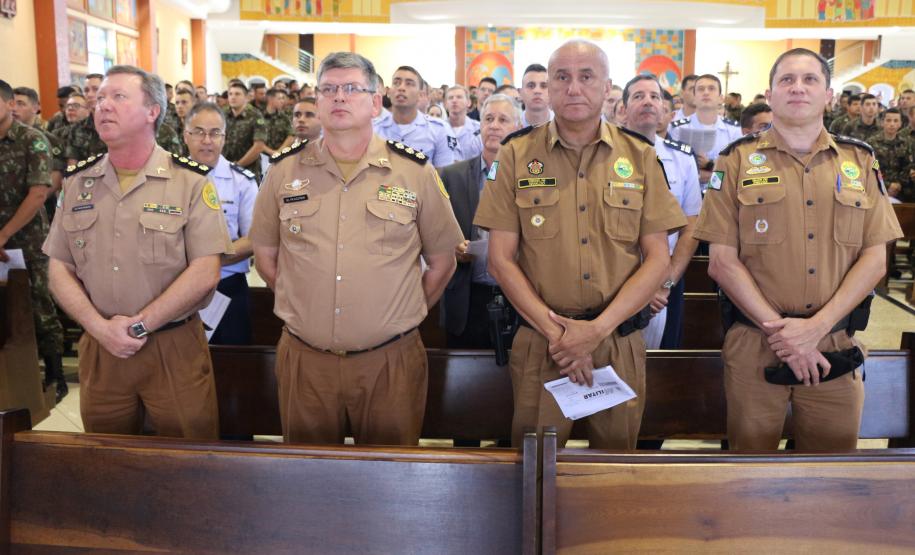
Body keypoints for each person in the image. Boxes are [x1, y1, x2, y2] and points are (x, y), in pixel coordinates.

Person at [473, 40, 686, 448]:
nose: (574, 88)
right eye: (562, 77)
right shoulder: (516, 154)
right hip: (543, 341)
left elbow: (658, 259)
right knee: (534, 470)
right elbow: (500, 260)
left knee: (615, 471)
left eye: (586, 77)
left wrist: (596, 331)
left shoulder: (639, 156)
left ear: (607, 87)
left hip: (618, 339)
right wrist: (562, 336)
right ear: (547, 88)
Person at [693, 48, 903, 451]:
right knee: (748, 475)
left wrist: (815, 329)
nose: (798, 88)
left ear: (828, 96)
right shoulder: (735, 160)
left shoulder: (859, 161)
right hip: (756, 343)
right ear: (770, 95)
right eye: (786, 80)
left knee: (830, 478)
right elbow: (721, 262)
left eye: (810, 80)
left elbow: (875, 260)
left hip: (835, 342)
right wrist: (788, 336)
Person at [250, 52, 463, 446]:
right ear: (317, 101)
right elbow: (265, 255)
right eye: (328, 89)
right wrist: (307, 301)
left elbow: (442, 262)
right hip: (306, 359)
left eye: (352, 89)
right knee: (308, 481)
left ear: (375, 102)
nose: (339, 98)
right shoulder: (284, 172)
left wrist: (398, 312)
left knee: (390, 481)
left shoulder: (414, 172)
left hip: (389, 362)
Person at [43, 65, 232, 438]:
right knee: (107, 463)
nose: (103, 107)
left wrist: (139, 324)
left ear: (152, 111)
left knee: (186, 461)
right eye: (100, 99)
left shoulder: (189, 181)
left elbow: (205, 271)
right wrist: (100, 328)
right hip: (102, 348)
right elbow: (58, 268)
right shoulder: (80, 182)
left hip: (171, 348)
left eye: (118, 97)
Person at [622, 75, 702, 351]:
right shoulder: (602, 155)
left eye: (654, 97)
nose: (648, 102)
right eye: (638, 96)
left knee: (660, 369)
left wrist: (665, 282)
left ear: (664, 109)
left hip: (666, 282)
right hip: (613, 282)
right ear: (623, 109)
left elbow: (691, 226)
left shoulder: (681, 158)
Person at [0, 80, 67, 402]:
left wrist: (3, 233)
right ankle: (15, 374)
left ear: (9, 104)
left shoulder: (32, 141)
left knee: (39, 306)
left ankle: (56, 375)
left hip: (26, 241)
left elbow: (39, 192)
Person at [439, 93, 522, 348]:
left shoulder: (532, 178)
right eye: (488, 119)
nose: (494, 125)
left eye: (503, 119)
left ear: (518, 128)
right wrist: (451, 247)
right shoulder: (451, 175)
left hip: (517, 298)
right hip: (466, 299)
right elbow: (434, 232)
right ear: (480, 127)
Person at [183, 102, 257, 344]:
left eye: (215, 133)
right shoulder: (167, 179)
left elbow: (253, 238)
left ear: (224, 138)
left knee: (232, 367)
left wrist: (209, 261)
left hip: (227, 287)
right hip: (177, 287)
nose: (207, 140)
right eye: (199, 132)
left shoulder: (242, 182)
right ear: (186, 136)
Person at [373, 66, 457, 167]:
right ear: (389, 92)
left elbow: (444, 176)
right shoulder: (374, 129)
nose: (401, 88)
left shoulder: (439, 130)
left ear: (420, 94)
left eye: (409, 84)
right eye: (396, 83)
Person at [668, 74, 742, 189]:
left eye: (711, 88)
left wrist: (709, 165)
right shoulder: (677, 129)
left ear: (721, 98)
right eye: (701, 89)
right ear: (694, 97)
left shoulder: (734, 130)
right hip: (687, 196)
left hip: (722, 198)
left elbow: (737, 171)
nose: (706, 92)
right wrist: (718, 174)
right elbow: (674, 170)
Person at [223, 81, 267, 182]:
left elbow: (259, 146)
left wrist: (238, 165)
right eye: (230, 94)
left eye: (237, 94)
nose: (233, 97)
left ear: (246, 97)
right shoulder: (223, 114)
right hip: (225, 170)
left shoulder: (255, 115)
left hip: (248, 170)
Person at [867, 107, 914, 202]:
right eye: (888, 120)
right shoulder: (872, 143)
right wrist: (887, 185)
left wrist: (898, 185)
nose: (892, 124)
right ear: (882, 122)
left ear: (900, 124)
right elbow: (872, 167)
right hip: (878, 186)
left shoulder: (907, 143)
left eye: (896, 121)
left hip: (901, 189)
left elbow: (908, 167)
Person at [444, 85, 482, 161]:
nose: (454, 100)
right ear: (445, 104)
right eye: (450, 98)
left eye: (459, 97)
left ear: (468, 102)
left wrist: (491, 174)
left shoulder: (479, 129)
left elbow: (492, 159)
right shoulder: (437, 129)